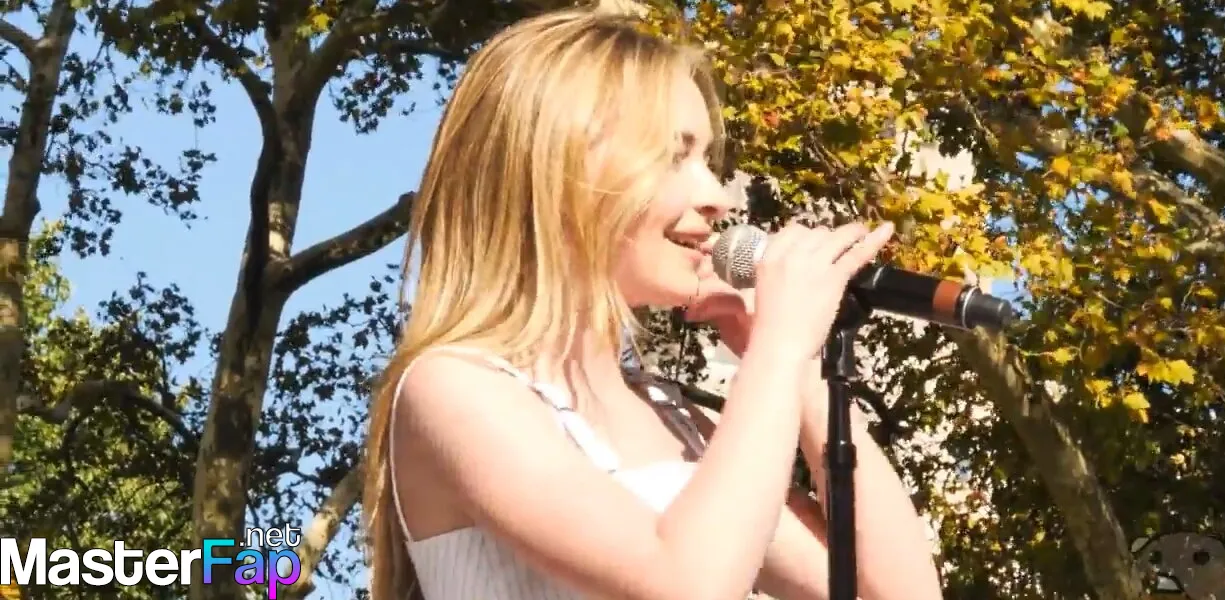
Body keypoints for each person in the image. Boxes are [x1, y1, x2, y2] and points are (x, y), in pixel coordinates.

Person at [361, 7, 944, 600]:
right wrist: (779, 347)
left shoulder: (676, 420)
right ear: (556, 172)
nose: (716, 197)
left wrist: (799, 375)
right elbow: (684, 583)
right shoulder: (455, 389)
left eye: (707, 160)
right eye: (673, 156)